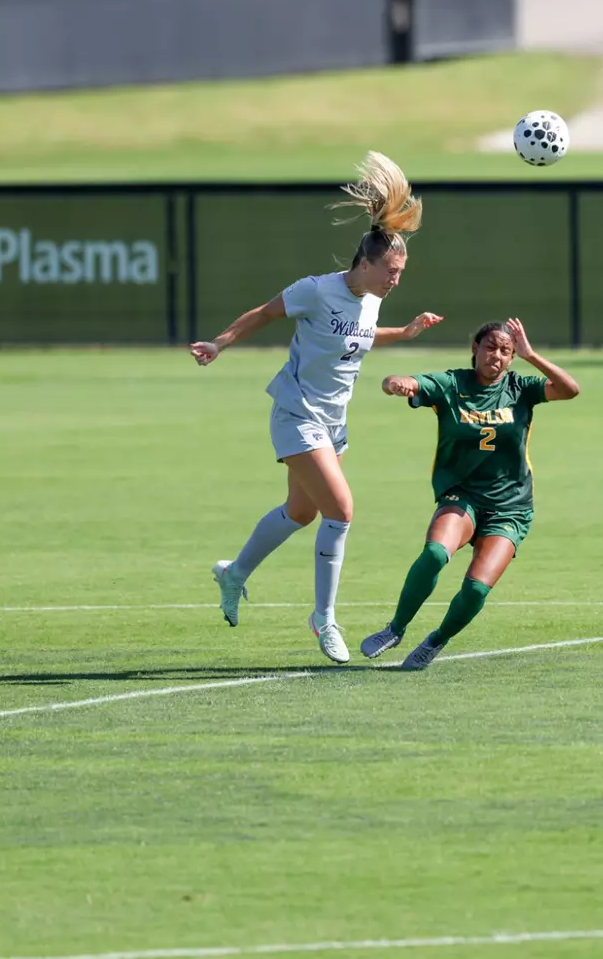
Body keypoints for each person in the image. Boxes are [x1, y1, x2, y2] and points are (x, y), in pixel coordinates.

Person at [190, 151, 443, 664]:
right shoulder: (316, 291)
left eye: (401, 271)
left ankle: (234, 573)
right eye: (391, 270)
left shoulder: (372, 300)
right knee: (341, 511)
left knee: (301, 512)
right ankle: (324, 619)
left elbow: (360, 336)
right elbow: (264, 313)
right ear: (365, 263)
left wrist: (404, 332)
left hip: (334, 421)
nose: (396, 279)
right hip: (296, 412)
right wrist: (219, 343)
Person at [361, 317, 579, 670]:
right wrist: (395, 384)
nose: (497, 356)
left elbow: (570, 390)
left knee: (476, 588)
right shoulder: (452, 384)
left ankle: (436, 641)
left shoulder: (521, 387)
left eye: (505, 351)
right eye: (490, 347)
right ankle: (395, 628)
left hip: (510, 507)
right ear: (475, 348)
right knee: (435, 553)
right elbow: (405, 382)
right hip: (463, 495)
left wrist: (531, 355)